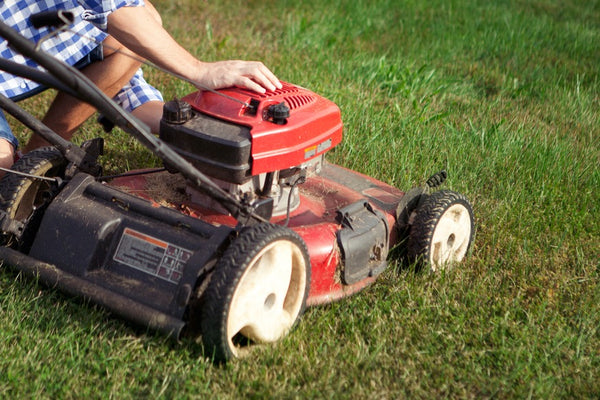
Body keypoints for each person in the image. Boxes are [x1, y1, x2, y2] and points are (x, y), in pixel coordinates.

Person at [0, 0, 282, 174]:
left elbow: (124, 67)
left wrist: (189, 124)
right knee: (2, 167)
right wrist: (200, 70)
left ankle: (38, 159)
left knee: (144, 19)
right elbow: (117, 11)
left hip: (23, 49)